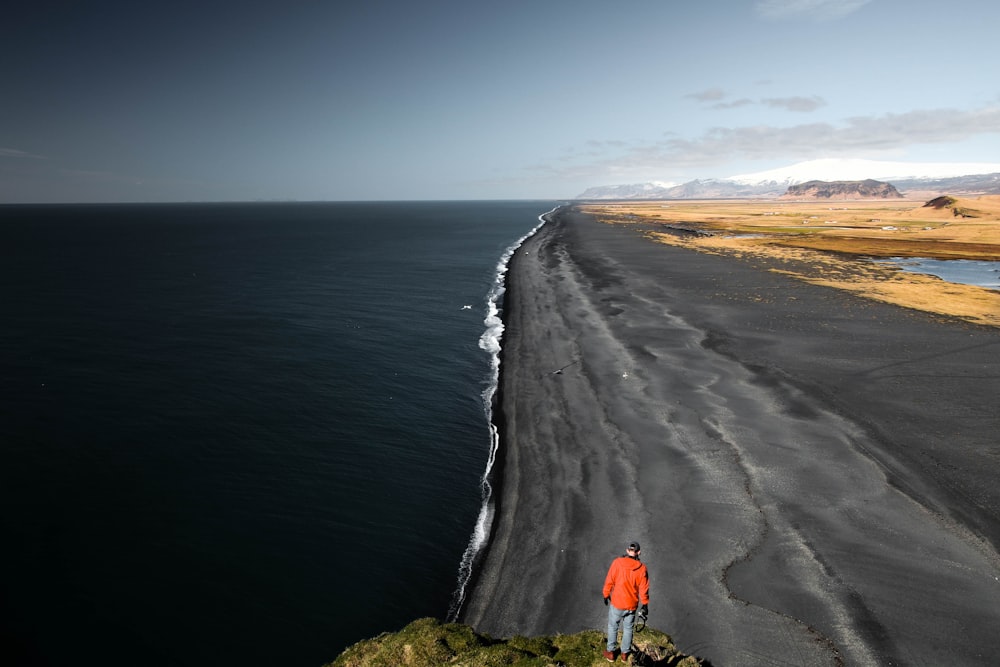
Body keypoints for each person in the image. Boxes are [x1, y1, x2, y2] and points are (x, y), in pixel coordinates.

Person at [602, 541, 650, 663]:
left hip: (617, 602)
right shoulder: (642, 569)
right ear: (639, 552)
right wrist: (644, 604)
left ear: (628, 550)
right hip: (631, 605)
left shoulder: (617, 563)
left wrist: (606, 594)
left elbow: (610, 579)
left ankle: (611, 652)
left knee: (613, 626)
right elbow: (644, 588)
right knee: (628, 628)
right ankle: (624, 654)